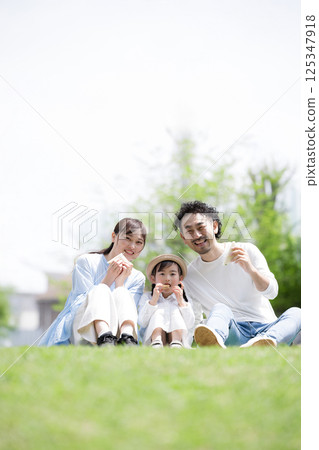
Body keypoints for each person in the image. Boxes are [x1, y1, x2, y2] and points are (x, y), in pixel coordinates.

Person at [174, 200, 301, 348]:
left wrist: (250, 269)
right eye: (189, 231)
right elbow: (194, 317)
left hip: (267, 327)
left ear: (214, 226)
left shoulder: (246, 250)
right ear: (184, 239)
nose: (196, 235)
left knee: (297, 313)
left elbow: (272, 292)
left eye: (201, 227)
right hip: (233, 333)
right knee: (220, 308)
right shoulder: (190, 276)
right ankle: (215, 341)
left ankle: (266, 341)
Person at [38, 218, 147, 347]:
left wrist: (120, 285)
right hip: (83, 325)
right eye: (127, 238)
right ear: (114, 236)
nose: (132, 246)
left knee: (123, 294)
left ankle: (127, 341)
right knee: (100, 290)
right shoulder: (86, 262)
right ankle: (104, 337)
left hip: (117, 332)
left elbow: (128, 312)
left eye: (138, 242)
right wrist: (107, 280)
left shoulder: (137, 278)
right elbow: (79, 303)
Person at [138, 255, 195, 348]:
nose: (167, 278)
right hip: (154, 341)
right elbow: (142, 322)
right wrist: (153, 301)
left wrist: (181, 302)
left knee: (175, 310)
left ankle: (176, 341)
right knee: (158, 311)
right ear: (153, 279)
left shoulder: (184, 299)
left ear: (180, 279)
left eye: (172, 274)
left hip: (180, 341)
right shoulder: (147, 297)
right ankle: (157, 340)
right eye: (162, 274)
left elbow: (190, 323)